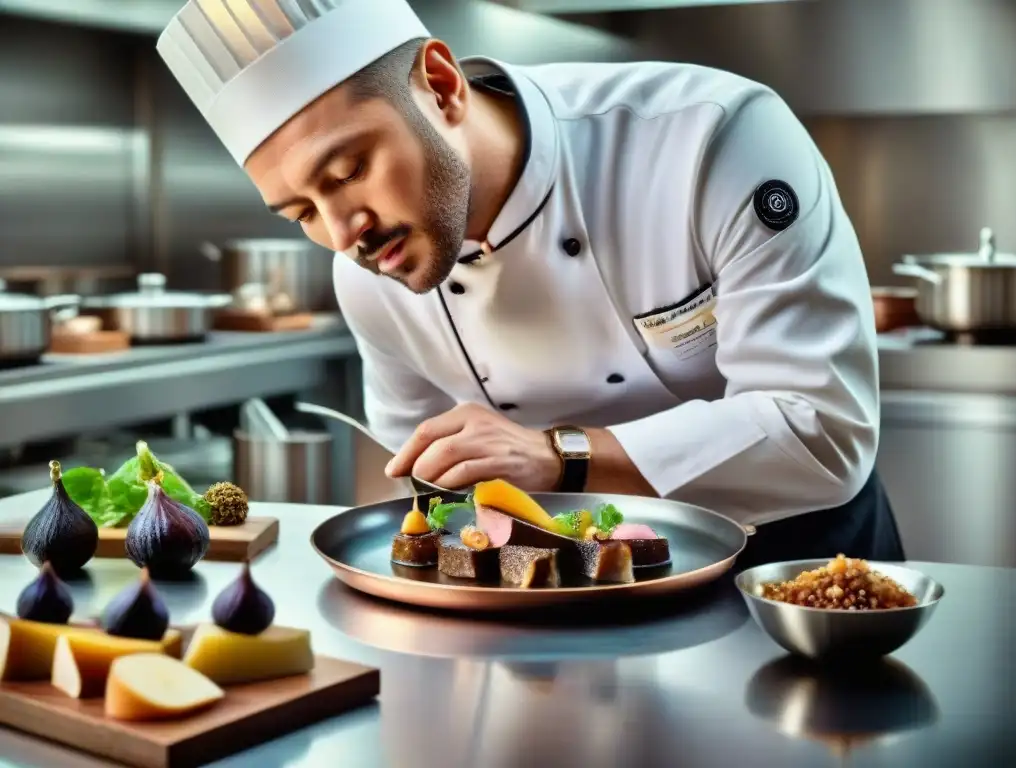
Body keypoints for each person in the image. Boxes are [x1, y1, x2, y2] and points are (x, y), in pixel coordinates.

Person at [157, 0, 905, 566]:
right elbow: (431, 503)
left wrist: (559, 456)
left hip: (792, 569)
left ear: (443, 88)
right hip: (565, 592)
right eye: (299, 213)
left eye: (348, 171)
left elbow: (824, 433)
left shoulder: (709, 138)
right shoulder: (369, 277)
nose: (341, 230)